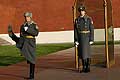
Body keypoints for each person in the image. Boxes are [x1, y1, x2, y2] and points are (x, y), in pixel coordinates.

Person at [8, 12, 39, 80]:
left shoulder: (34, 25)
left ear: (30, 17)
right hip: (24, 41)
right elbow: (21, 35)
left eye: (28, 17)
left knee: (32, 59)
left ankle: (31, 76)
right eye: (25, 17)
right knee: (16, 39)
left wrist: (27, 29)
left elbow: (36, 33)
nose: (26, 18)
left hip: (30, 43)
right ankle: (11, 34)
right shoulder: (22, 26)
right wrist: (11, 33)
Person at [74, 5, 94, 73]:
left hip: (87, 37)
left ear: (85, 11)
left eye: (82, 11)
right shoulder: (77, 20)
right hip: (80, 38)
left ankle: (88, 67)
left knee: (87, 53)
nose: (81, 12)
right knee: (82, 53)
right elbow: (76, 31)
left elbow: (91, 29)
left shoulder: (89, 19)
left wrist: (91, 39)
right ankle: (84, 66)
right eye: (80, 11)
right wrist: (76, 40)